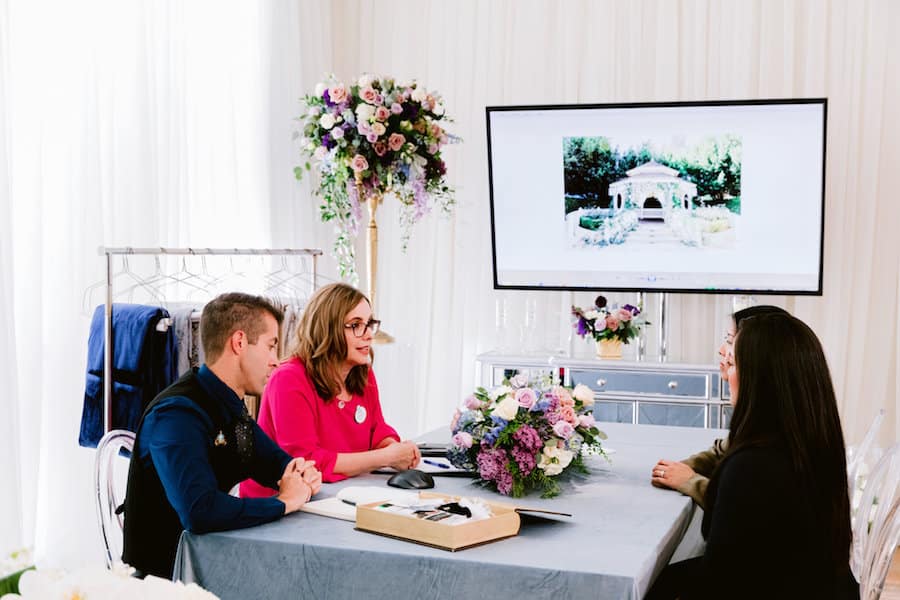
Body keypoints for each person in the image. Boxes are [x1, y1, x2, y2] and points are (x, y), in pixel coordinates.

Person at [647, 313, 858, 599]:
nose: (725, 371)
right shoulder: (811, 439)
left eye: (732, 363)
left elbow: (722, 580)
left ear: (761, 379)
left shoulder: (752, 465)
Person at [122, 293, 322, 579]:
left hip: (214, 562)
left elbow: (275, 463)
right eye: (271, 346)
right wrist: (283, 502)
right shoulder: (178, 413)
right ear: (239, 342)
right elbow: (200, 511)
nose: (276, 361)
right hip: (167, 581)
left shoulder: (229, 406)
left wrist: (302, 473)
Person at [240, 283, 419, 496]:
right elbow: (307, 462)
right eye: (356, 325)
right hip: (277, 506)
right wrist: (387, 457)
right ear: (327, 328)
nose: (369, 335)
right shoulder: (288, 379)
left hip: (337, 496)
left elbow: (376, 429)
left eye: (369, 324)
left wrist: (393, 448)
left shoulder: (363, 374)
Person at [650, 304, 788, 507]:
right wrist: (678, 469)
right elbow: (723, 449)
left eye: (730, 342)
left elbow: (745, 509)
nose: (722, 351)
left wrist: (689, 480)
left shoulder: (770, 442)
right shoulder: (768, 414)